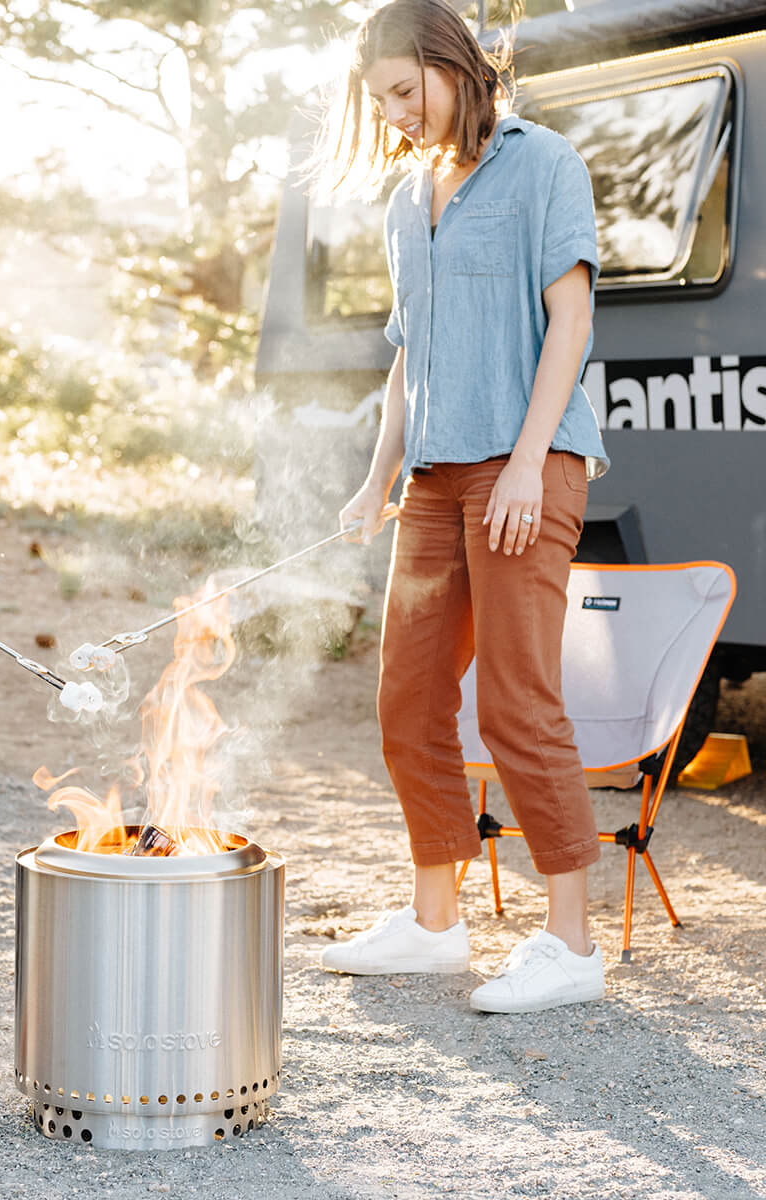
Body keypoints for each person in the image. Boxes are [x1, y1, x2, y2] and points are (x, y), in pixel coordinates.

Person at [314, 0, 609, 1013]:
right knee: (407, 697)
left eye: (406, 91)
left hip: (527, 463)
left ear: (453, 64)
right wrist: (378, 477)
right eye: (381, 102)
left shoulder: (544, 163)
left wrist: (528, 462)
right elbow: (409, 356)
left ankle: (570, 944)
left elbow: (571, 319)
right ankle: (436, 923)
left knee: (517, 700)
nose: (397, 114)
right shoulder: (409, 198)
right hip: (434, 479)